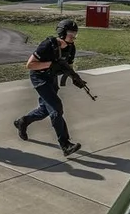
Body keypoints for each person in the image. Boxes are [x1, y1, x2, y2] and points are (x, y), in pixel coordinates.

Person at [14, 18, 85, 157]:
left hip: (52, 78)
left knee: (45, 110)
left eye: (75, 34)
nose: (73, 37)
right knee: (56, 109)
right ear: (62, 33)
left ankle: (23, 121)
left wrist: (75, 78)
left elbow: (67, 67)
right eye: (71, 33)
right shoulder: (48, 45)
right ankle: (65, 144)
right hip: (39, 78)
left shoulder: (71, 48)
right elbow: (30, 65)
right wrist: (50, 65)